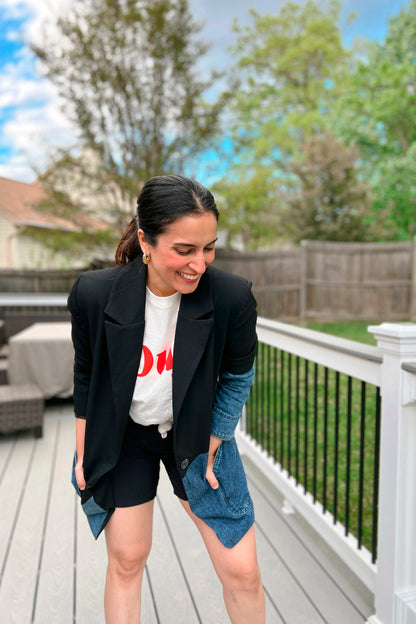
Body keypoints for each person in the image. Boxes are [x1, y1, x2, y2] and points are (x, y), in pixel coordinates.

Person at [69, 174, 265, 623]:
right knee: (126, 559)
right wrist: (84, 451)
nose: (199, 263)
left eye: (208, 247)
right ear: (145, 239)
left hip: (197, 433)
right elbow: (86, 374)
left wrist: (215, 442)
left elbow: (238, 376)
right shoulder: (95, 295)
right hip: (125, 437)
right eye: (184, 249)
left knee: (243, 572)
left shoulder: (232, 297)